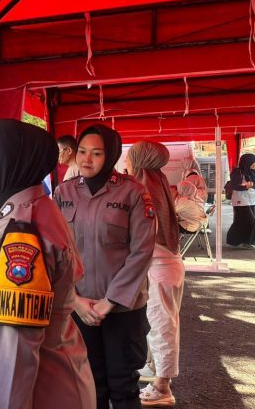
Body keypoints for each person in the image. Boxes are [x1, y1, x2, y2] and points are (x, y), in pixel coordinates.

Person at [0, 120, 95, 409]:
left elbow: (16, 352)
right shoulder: (29, 209)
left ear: (3, 164)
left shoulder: (22, 232)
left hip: (39, 393)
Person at [54, 124, 156, 409]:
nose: (86, 159)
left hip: (123, 308)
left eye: (96, 153)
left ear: (110, 155)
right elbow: (57, 251)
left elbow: (142, 251)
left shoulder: (133, 192)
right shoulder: (63, 193)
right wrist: (75, 300)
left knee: (123, 384)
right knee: (88, 383)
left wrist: (110, 301)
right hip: (81, 308)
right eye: (82, 152)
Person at [124, 141, 184, 407]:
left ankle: (163, 386)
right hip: (168, 267)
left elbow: (140, 235)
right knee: (161, 326)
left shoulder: (142, 189)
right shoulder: (158, 181)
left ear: (138, 161)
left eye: (129, 158)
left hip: (159, 269)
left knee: (162, 328)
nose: (125, 163)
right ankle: (156, 370)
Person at [226, 153, 255, 249]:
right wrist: (246, 186)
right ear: (247, 162)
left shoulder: (252, 172)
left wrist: (251, 186)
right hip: (241, 201)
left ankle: (238, 240)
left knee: (244, 221)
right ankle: (245, 242)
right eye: (253, 164)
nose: (254, 166)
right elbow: (234, 186)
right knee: (248, 221)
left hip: (251, 200)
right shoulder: (237, 172)